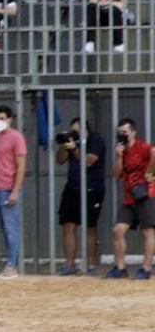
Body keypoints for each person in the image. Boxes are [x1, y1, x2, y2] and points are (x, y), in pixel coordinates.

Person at [55, 118, 106, 276]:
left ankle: (91, 264)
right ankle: (70, 264)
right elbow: (60, 160)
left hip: (92, 188)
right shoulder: (72, 141)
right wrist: (65, 144)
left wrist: (75, 147)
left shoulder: (96, 140)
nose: (73, 134)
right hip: (72, 187)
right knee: (68, 225)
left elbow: (89, 161)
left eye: (76, 131)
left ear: (85, 130)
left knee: (90, 226)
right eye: (72, 131)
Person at [107, 118, 155, 280]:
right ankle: (121, 268)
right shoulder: (121, 150)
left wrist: (149, 172)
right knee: (118, 230)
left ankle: (146, 268)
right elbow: (115, 174)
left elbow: (154, 152)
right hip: (129, 198)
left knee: (147, 231)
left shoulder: (141, 147)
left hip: (146, 194)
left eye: (125, 132)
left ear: (133, 132)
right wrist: (119, 157)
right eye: (119, 132)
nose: (122, 135)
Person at [0, 105, 27, 280]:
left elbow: (21, 166)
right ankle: (11, 262)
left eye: (2, 118)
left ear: (10, 119)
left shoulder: (16, 137)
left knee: (11, 228)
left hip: (8, 188)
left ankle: (12, 265)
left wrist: (15, 191)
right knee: (5, 228)